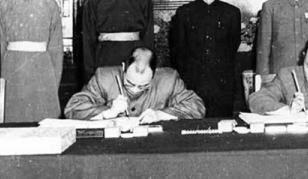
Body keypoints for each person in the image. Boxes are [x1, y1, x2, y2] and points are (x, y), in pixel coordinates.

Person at [0, 0, 63, 122]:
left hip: (42, 69)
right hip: (12, 69)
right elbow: (0, 45)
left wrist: (53, 82)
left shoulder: (50, 5)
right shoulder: (4, 6)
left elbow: (56, 49)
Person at [170, 0, 241, 117]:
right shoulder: (184, 12)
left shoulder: (232, 13)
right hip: (192, 82)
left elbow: (232, 47)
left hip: (222, 83)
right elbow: (178, 50)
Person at [65, 47, 205, 123]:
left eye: (143, 86)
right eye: (130, 84)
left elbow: (197, 106)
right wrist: (108, 112)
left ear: (155, 73)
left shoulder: (169, 79)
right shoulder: (104, 77)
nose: (135, 89)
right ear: (123, 67)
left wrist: (161, 115)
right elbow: (73, 107)